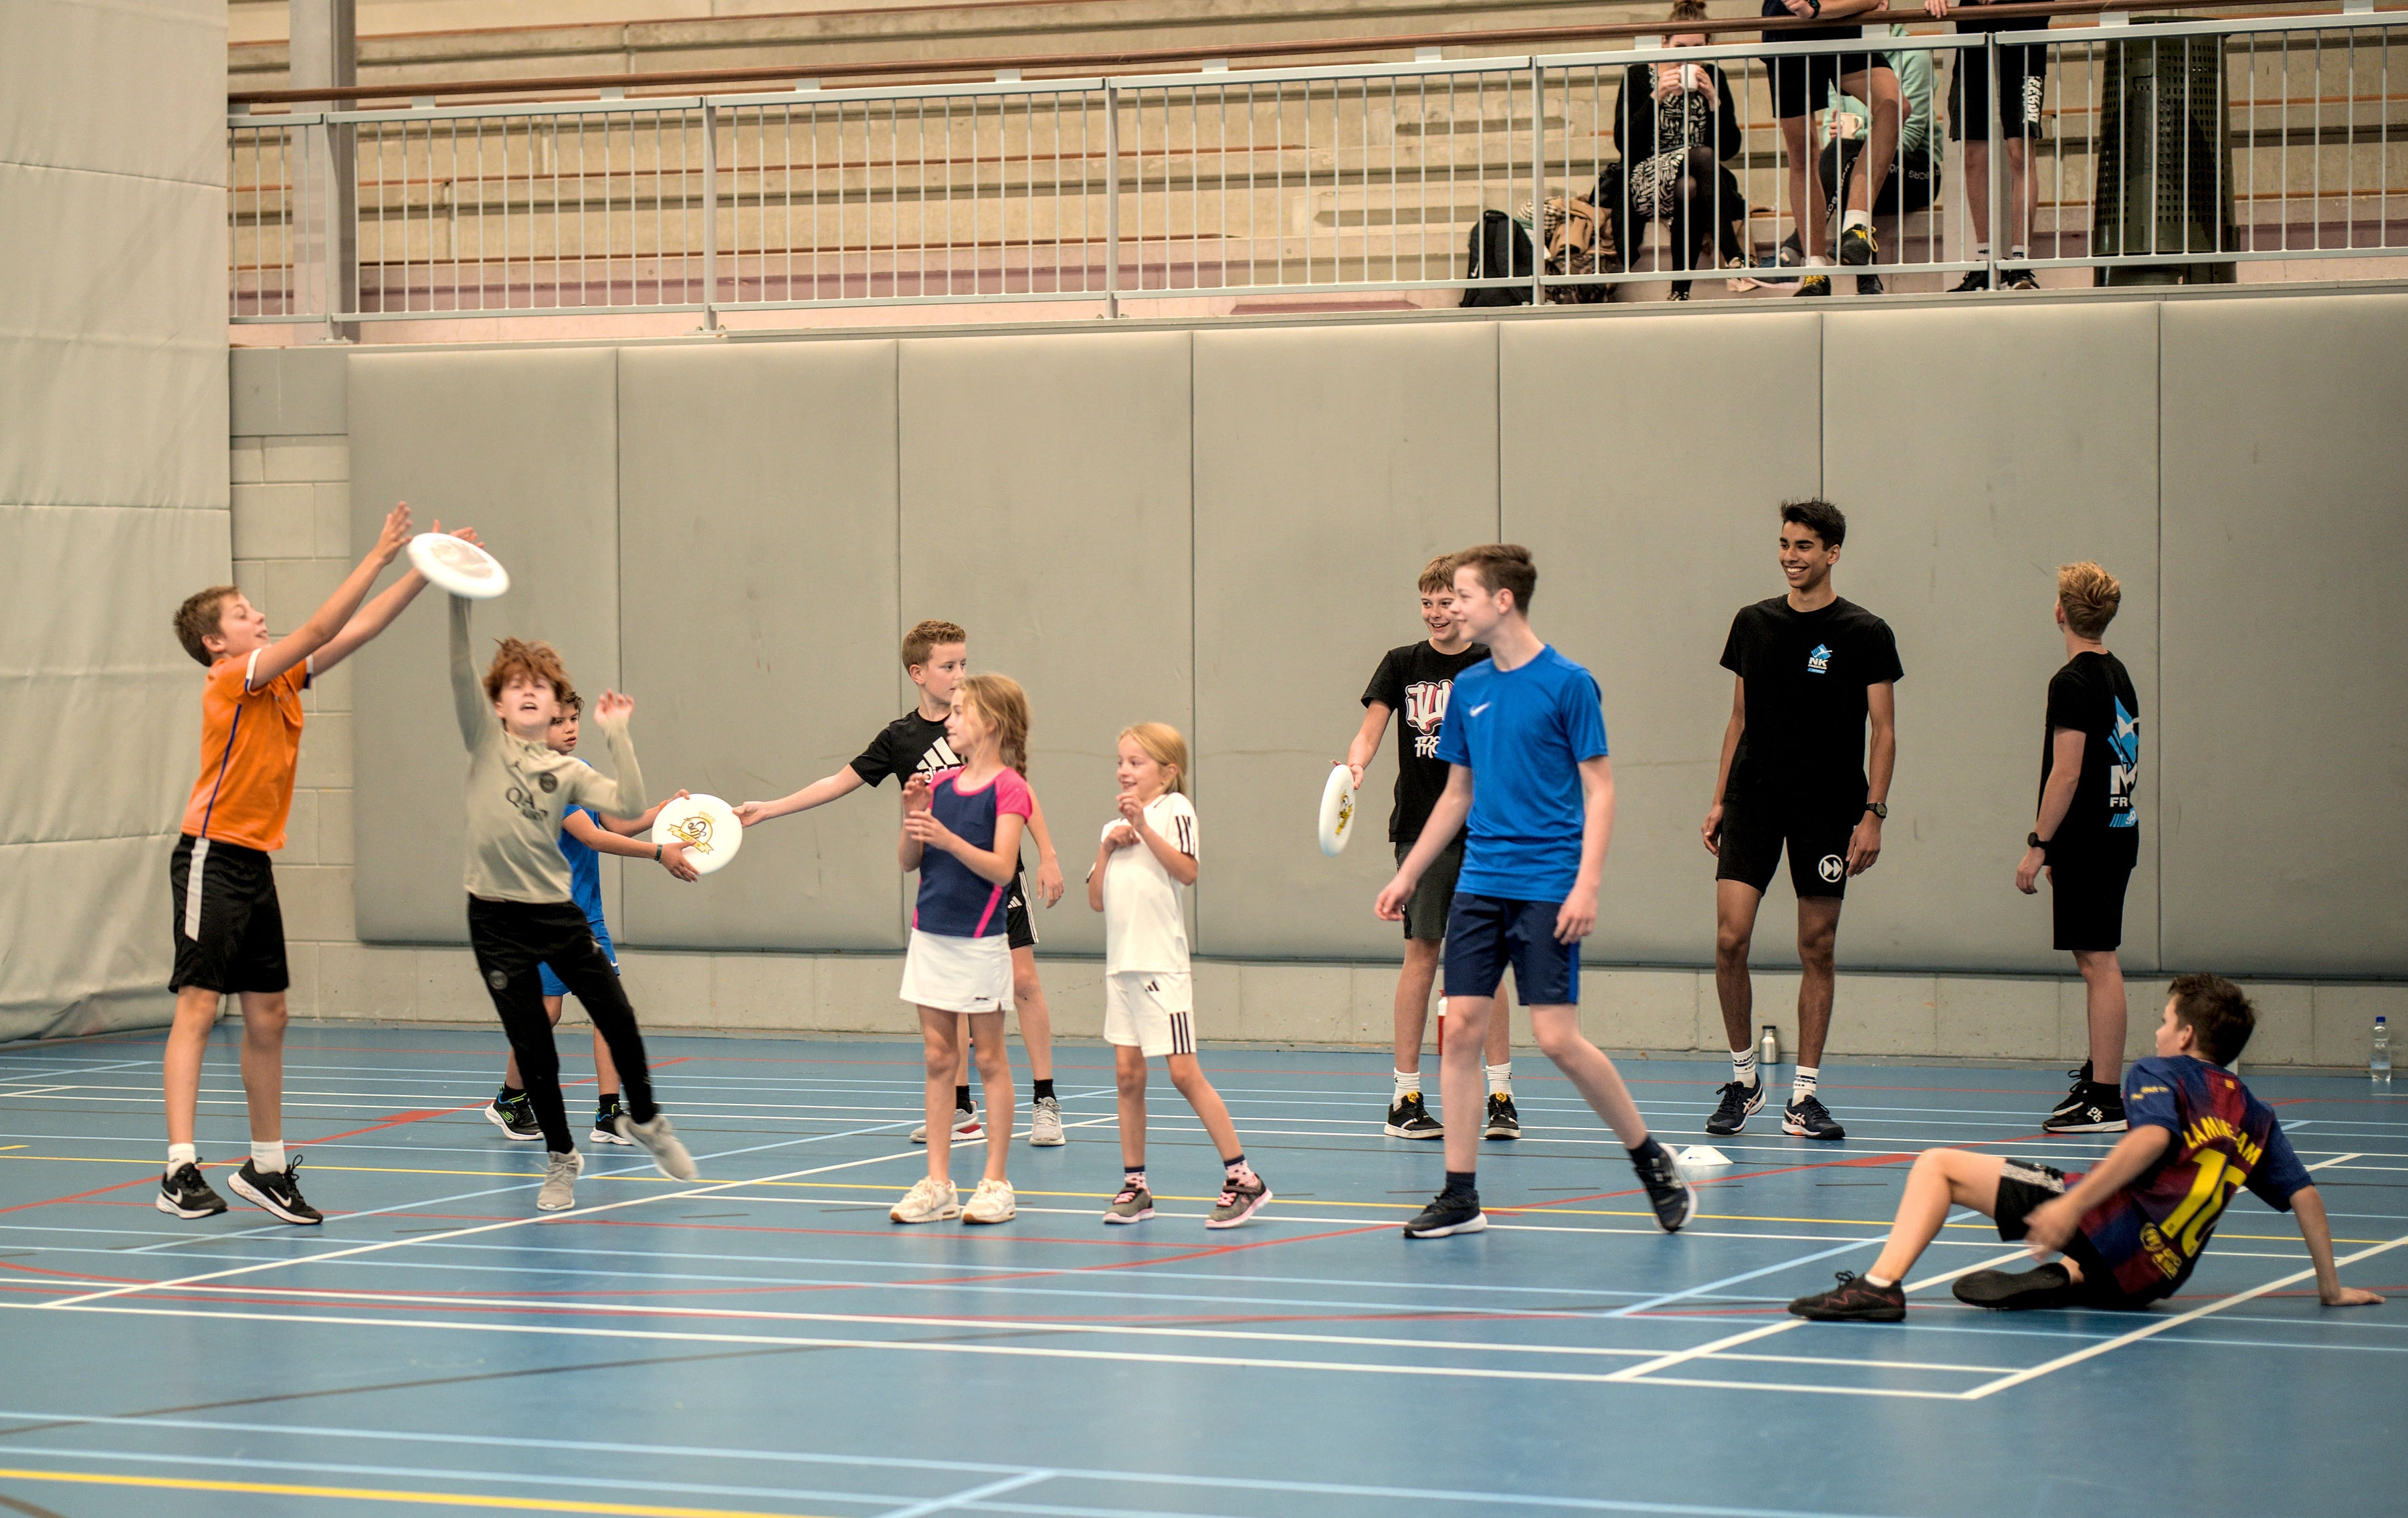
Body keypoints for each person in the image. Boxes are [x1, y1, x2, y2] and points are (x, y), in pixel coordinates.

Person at [1378, 545, 1694, 1240]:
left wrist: (1588, 882)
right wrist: (1410, 871)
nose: (1451, 607)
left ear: (1502, 601)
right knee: (1459, 1026)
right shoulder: (1469, 690)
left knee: (1555, 1037)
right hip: (1480, 883)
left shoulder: (1569, 683)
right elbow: (1458, 793)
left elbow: (1601, 787)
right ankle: (1460, 1194)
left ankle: (1650, 1158)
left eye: (1462, 595)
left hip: (1549, 881)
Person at [1789, 975, 2386, 1320]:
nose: (2156, 1030)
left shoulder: (2163, 1071)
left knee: (1936, 1166)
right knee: (2092, 1253)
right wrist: (2329, 1286)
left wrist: (2073, 1207)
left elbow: (2152, 1137)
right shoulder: (2253, 1114)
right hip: (2159, 1277)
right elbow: (2305, 1194)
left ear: (2186, 1035)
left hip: (2112, 1228)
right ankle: (2070, 1275)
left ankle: (1880, 1285)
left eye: (2163, 1019)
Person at [159, 500, 435, 1226]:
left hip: (254, 864)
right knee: (197, 1005)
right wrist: (378, 553)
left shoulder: (279, 679)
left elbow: (359, 628)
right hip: (211, 858)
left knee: (271, 1015)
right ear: (217, 642)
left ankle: (267, 1165)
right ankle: (178, 1165)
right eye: (245, 613)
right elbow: (320, 626)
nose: (259, 617)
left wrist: (425, 572)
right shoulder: (230, 679)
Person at [736, 620, 1070, 1147]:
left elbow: (1017, 787)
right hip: (946, 886)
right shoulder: (901, 738)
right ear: (918, 673)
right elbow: (836, 782)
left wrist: (1048, 853)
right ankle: (961, 1110)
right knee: (952, 998)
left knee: (1023, 982)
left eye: (964, 664)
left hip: (997, 874)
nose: (960, 675)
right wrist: (769, 809)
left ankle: (1045, 1099)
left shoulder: (977, 724)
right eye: (948, 666)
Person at [449, 593, 698, 1212]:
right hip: (495, 918)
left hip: (555, 910)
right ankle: (561, 1157)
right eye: (516, 686)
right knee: (536, 1041)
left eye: (541, 685)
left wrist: (621, 738)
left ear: (556, 701)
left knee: (616, 1012)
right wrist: (457, 599)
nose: (529, 692)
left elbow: (624, 801)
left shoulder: (567, 770)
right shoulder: (484, 746)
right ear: (498, 704)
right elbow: (459, 669)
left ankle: (641, 1116)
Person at [1702, 499, 1900, 1143]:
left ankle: (1804, 1096)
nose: (1791, 556)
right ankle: (1743, 1079)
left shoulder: (1866, 632)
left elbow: (1885, 731)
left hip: (1827, 810)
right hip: (1754, 800)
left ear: (1833, 552)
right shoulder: (1752, 624)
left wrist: (1872, 814)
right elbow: (1739, 719)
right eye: (1785, 543)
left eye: (1805, 546)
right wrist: (1718, 798)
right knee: (1731, 939)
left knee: (1817, 946)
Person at [1342, 555, 1516, 1143]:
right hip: (1422, 830)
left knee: (1488, 961)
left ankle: (1501, 1096)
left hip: (1487, 829)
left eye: (1447, 602)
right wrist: (1356, 767)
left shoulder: (1493, 663)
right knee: (1423, 953)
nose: (1437, 613)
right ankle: (1405, 1097)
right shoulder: (1402, 664)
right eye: (1427, 603)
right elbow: (1371, 728)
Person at [484, 691, 700, 1148]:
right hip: (544, 918)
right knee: (547, 1010)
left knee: (609, 1008)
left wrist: (659, 813)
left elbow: (612, 825)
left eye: (574, 718)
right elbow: (594, 838)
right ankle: (509, 1099)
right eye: (557, 720)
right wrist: (660, 853)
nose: (569, 727)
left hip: (587, 918)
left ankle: (608, 1112)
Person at [1091, 724, 1273, 1228]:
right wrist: (1109, 846)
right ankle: (1136, 1186)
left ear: (1168, 771)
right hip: (1120, 968)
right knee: (1128, 1076)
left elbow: (1188, 872)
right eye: (1121, 760)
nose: (1125, 770)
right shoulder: (1112, 826)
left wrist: (1144, 830)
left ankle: (1243, 1177)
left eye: (1137, 761)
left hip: (1161, 966)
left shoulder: (1175, 811)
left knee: (1182, 1072)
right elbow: (1095, 898)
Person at [888, 674, 1033, 1226]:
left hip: (978, 942)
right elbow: (908, 860)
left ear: (989, 724)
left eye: (958, 713)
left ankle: (996, 1181)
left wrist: (948, 838)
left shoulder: (1010, 788)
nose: (948, 720)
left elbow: (1001, 868)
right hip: (930, 935)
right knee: (937, 1059)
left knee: (989, 1058)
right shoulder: (941, 783)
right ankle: (939, 1182)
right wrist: (915, 815)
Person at [2019, 563, 2141, 1135]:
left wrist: (2039, 844)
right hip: (2116, 831)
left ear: (2061, 611)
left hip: (2091, 841)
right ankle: (2099, 1077)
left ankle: (2106, 1099)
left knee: (2099, 963)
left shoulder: (2070, 682)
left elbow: (2065, 775)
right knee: (2098, 958)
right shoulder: (2118, 674)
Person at [1759, 0, 1902, 296]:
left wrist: (1819, 8)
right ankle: (1815, 270)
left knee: (1894, 106)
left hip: (1839, 22)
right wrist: (1813, 8)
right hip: (1788, 30)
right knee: (1802, 152)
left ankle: (1857, 224)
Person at [1607, 3, 1748, 301]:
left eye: (1697, 48)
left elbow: (1731, 149)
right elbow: (1625, 145)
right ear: (1664, 44)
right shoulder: (1637, 76)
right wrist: (1656, 96)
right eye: (1680, 47)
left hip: (1694, 180)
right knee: (1701, 155)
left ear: (1709, 46)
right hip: (1646, 179)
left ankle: (1679, 291)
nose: (1687, 57)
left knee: (1690, 185)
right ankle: (1733, 253)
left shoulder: (1714, 78)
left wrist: (1713, 101)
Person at [1815, 25, 1942, 293]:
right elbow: (1831, 133)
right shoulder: (1842, 52)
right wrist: (1844, 137)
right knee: (1844, 158)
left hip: (1917, 170)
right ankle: (1867, 282)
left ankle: (1797, 249)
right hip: (1853, 164)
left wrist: (1858, 131)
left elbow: (1906, 138)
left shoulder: (1914, 55)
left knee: (1846, 157)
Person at [1927, 0, 2043, 289]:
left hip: (2024, 18)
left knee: (2020, 151)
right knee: (1973, 153)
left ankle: (2020, 262)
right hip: (1974, 18)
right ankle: (1985, 261)